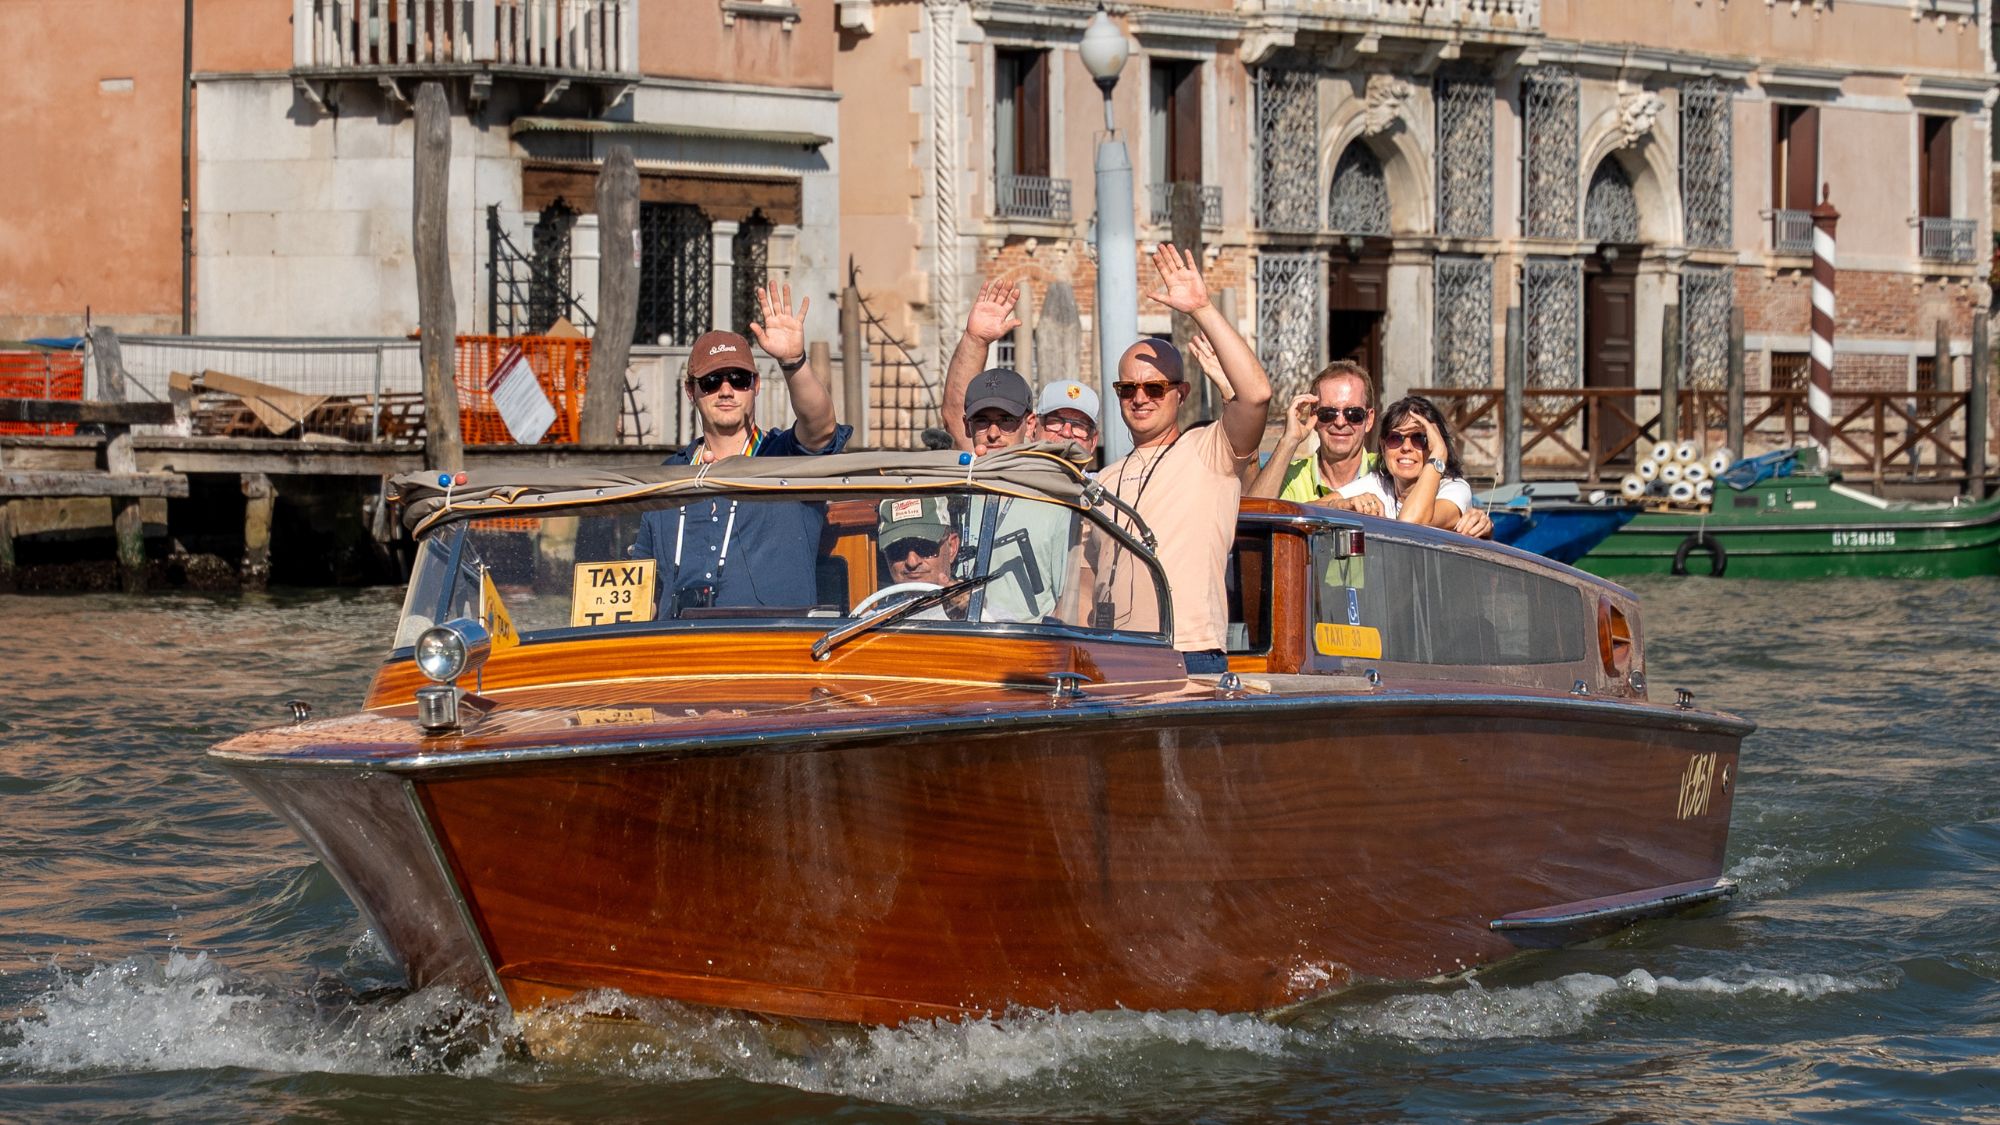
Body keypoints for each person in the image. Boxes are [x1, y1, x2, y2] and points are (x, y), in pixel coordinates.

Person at [1094, 243, 1272, 674]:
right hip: (1111, 655)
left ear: (1181, 394)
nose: (1140, 398)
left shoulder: (1208, 451)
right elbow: (1085, 580)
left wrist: (1202, 309)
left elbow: (1256, 395)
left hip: (1187, 652)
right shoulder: (1101, 479)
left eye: (1154, 388)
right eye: (1127, 389)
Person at [632, 282, 853, 613]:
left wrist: (794, 362)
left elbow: (821, 426)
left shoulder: (786, 458)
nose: (725, 390)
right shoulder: (667, 476)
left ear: (756, 386)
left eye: (738, 379)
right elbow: (641, 587)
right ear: (690, 391)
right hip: (682, 651)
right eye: (711, 381)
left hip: (771, 651)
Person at [935, 282, 1076, 623]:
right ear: (970, 427)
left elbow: (1072, 601)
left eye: (1006, 421)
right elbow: (953, 411)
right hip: (959, 641)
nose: (994, 432)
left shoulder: (1056, 491)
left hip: (1028, 647)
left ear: (1029, 424)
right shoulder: (967, 476)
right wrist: (975, 340)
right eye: (983, 421)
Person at [1335, 395, 1492, 539]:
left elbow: (1410, 523)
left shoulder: (1454, 489)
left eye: (1419, 438)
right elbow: (1313, 509)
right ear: (1383, 447)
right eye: (1396, 438)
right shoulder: (1379, 483)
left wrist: (1437, 456)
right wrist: (1344, 504)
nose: (1406, 447)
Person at [1246, 361, 1378, 505]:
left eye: (1353, 413)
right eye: (1328, 413)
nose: (1340, 423)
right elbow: (1256, 514)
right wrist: (1289, 440)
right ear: (1314, 417)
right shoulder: (1290, 476)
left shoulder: (1385, 471)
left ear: (1369, 419)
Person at [876, 497, 967, 619]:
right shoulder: (866, 625)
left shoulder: (990, 621)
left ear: (951, 547)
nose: (912, 562)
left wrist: (971, 610)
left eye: (925, 547)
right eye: (897, 549)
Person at [1035, 378, 1100, 459]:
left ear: (1093, 442)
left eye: (1079, 426)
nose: (1066, 433)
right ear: (1033, 427)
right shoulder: (1015, 471)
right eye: (1056, 421)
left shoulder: (1111, 472)